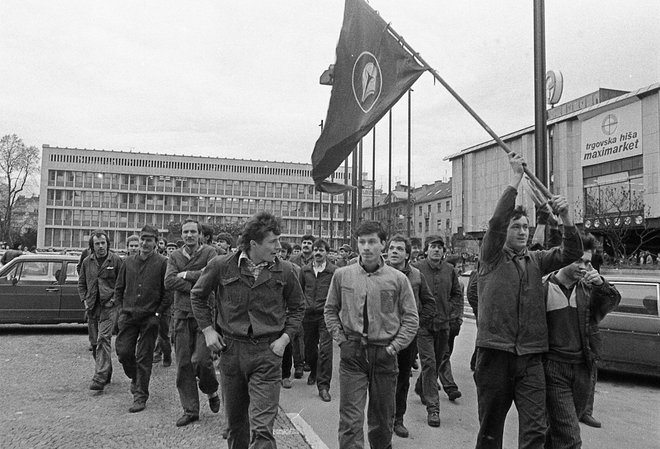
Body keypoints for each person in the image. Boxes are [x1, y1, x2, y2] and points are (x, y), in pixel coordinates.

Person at [474, 152, 583, 449]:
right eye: (516, 227)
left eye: (525, 227)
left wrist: (566, 218)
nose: (522, 232)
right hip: (495, 355)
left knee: (535, 430)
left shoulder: (536, 260)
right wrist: (515, 180)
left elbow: (571, 254)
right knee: (490, 432)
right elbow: (496, 222)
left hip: (531, 357)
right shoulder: (491, 257)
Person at [190, 211, 305, 449]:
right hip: (232, 353)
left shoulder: (286, 270)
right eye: (273, 241)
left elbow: (297, 308)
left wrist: (284, 340)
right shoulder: (222, 265)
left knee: (262, 429)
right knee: (236, 427)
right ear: (253, 244)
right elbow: (198, 296)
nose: (279, 246)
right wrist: (208, 330)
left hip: (267, 354)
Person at [324, 220, 418, 449]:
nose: (366, 247)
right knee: (350, 420)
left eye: (372, 242)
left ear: (383, 244)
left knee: (382, 422)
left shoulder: (397, 279)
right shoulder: (342, 275)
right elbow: (330, 310)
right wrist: (341, 340)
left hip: (384, 355)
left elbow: (411, 319)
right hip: (353, 354)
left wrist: (394, 348)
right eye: (362, 242)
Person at [543, 233, 621, 448]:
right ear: (563, 256)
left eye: (587, 262)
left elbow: (612, 301)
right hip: (553, 368)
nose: (583, 266)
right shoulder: (544, 287)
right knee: (570, 436)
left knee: (558, 429)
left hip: (583, 368)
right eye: (577, 260)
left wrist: (602, 284)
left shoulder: (588, 289)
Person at [165, 219, 220, 426]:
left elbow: (212, 275)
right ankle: (190, 410)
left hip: (204, 315)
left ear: (200, 234)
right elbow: (169, 281)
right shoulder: (174, 256)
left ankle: (211, 390)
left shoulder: (210, 253)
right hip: (180, 315)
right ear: (181, 235)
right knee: (184, 365)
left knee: (202, 360)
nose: (189, 235)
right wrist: (199, 286)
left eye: (193, 232)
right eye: (185, 232)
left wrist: (187, 275)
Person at [115, 224, 170, 413]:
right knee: (123, 351)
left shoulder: (162, 262)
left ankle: (140, 396)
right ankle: (135, 378)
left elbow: (167, 291)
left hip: (150, 317)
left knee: (144, 357)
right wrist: (121, 310)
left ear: (156, 243)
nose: (145, 243)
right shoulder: (128, 262)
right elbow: (119, 288)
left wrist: (158, 313)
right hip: (128, 315)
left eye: (150, 240)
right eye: (143, 239)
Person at [386, 234, 437, 438]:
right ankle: (383, 419)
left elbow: (429, 303)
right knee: (382, 379)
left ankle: (398, 419)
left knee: (402, 379)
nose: (394, 252)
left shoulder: (416, 275)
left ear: (407, 254)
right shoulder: (379, 273)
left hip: (407, 338)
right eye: (391, 248)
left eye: (399, 249)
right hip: (383, 337)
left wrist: (416, 326)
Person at [413, 235, 463, 427]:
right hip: (424, 326)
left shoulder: (449, 270)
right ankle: (433, 409)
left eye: (440, 248)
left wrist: (451, 312)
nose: (436, 250)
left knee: (438, 360)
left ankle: (421, 387)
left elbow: (457, 294)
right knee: (429, 363)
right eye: (433, 247)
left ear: (444, 252)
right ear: (426, 250)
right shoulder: (417, 269)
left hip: (443, 325)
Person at [78, 229, 123, 391]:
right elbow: (81, 282)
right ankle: (106, 371)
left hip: (109, 307)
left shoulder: (116, 260)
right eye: (97, 244)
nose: (100, 246)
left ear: (107, 244)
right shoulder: (87, 262)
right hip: (92, 306)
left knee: (104, 338)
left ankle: (99, 377)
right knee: (95, 343)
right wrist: (84, 299)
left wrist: (115, 300)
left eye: (103, 243)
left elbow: (121, 284)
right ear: (92, 246)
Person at [300, 239, 337, 402]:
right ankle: (314, 370)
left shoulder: (333, 271)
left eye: (321, 250)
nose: (317, 253)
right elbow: (300, 291)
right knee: (309, 349)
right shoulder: (305, 270)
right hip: (308, 315)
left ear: (326, 253)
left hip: (325, 315)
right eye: (315, 250)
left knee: (326, 350)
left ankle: (323, 386)